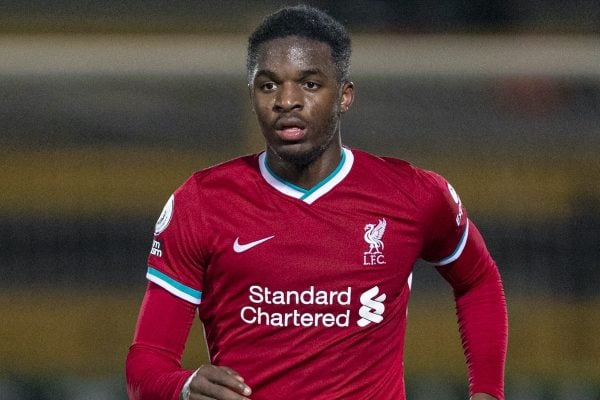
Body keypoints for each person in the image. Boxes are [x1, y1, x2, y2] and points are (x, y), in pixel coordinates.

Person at [125, 5, 508, 400]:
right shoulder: (202, 203)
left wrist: (487, 392)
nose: (286, 101)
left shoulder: (413, 195)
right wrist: (182, 387)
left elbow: (478, 279)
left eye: (309, 84)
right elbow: (146, 362)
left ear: (344, 96)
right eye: (268, 85)